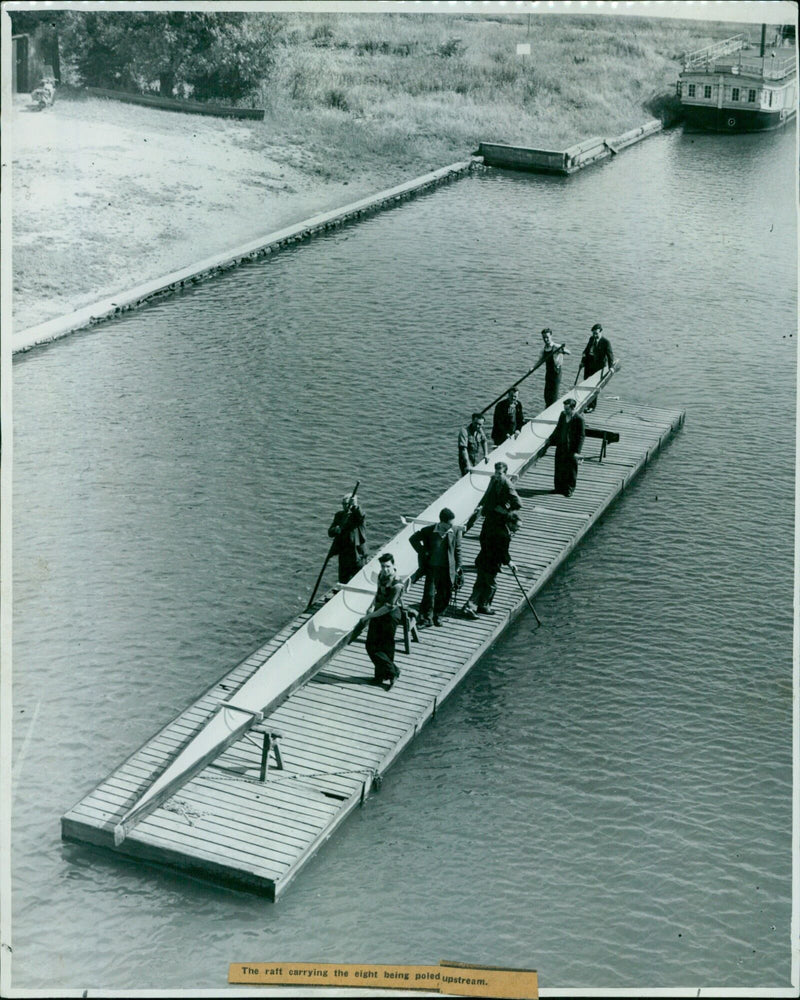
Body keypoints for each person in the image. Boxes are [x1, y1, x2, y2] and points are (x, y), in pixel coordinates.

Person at [410, 508, 463, 627]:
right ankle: (426, 619)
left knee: (445, 594)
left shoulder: (455, 531)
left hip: (448, 568)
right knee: (429, 594)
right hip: (432, 568)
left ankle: (438, 615)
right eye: (449, 524)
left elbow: (458, 550)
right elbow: (413, 539)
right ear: (442, 522)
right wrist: (423, 552)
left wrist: (458, 567)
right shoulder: (428, 531)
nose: (451, 526)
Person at [462, 511, 520, 618]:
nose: (518, 529)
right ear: (510, 524)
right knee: (489, 586)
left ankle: (482, 606)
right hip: (489, 563)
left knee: (482, 583)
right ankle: (470, 606)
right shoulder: (503, 535)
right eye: (517, 526)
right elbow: (502, 551)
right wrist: (510, 563)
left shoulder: (497, 529)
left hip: (484, 560)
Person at [362, 553, 404, 690]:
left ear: (394, 565)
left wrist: (369, 617)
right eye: (382, 566)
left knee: (386, 647)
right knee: (371, 646)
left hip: (390, 615)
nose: (385, 569)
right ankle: (387, 673)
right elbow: (378, 594)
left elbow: (388, 607)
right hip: (378, 612)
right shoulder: (381, 575)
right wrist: (371, 607)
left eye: (388, 566)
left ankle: (389, 674)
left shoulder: (397, 585)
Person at [547, 397, 585, 497]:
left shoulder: (579, 419)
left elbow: (581, 436)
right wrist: (550, 439)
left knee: (571, 469)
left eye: (567, 409)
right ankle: (558, 488)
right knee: (559, 467)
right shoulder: (562, 415)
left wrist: (577, 451)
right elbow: (558, 428)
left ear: (573, 408)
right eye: (564, 408)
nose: (565, 410)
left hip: (571, 448)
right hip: (561, 445)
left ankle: (569, 489)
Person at [327, 493, 367, 583]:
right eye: (343, 504)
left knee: (358, 579)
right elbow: (330, 532)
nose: (345, 506)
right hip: (344, 553)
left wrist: (355, 506)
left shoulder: (357, 516)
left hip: (357, 554)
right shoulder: (339, 515)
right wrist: (335, 530)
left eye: (347, 504)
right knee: (343, 579)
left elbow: (361, 515)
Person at [477, 461, 521, 537]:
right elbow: (487, 493)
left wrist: (507, 511)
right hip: (489, 513)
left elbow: (518, 503)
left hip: (499, 516)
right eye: (496, 472)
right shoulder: (494, 479)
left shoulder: (507, 484)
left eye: (500, 473)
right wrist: (480, 504)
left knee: (497, 538)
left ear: (505, 473)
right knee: (483, 536)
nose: (497, 475)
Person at [580, 323, 614, 413]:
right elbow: (586, 351)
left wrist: (611, 368)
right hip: (588, 365)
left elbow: (610, 356)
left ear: (601, 332)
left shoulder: (606, 342)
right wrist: (582, 361)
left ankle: (592, 406)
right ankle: (586, 404)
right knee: (587, 384)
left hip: (598, 368)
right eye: (593, 333)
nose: (595, 335)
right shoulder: (591, 339)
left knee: (594, 387)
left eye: (596, 333)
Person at [536, 328, 570, 408]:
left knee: (554, 395)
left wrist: (563, 351)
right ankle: (547, 409)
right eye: (544, 338)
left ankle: (552, 410)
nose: (546, 339)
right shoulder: (543, 350)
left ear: (551, 336)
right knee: (547, 395)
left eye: (547, 337)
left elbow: (569, 352)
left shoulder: (556, 347)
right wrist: (532, 368)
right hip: (548, 373)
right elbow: (540, 361)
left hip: (556, 373)